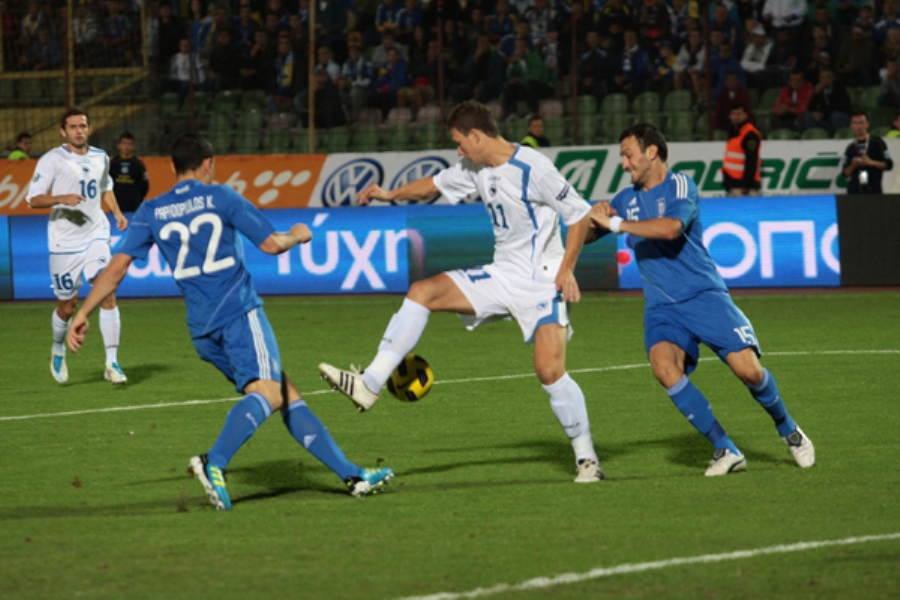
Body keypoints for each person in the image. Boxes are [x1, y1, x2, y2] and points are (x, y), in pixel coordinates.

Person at [66, 134, 394, 511]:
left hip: (202, 329)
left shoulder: (152, 210)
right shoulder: (221, 196)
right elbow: (271, 244)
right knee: (271, 394)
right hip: (237, 312)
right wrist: (300, 235)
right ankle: (213, 461)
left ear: (172, 168)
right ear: (209, 165)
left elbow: (115, 270)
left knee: (284, 392)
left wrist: (83, 312)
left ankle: (351, 475)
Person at [318, 101, 605, 484]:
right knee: (422, 291)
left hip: (543, 279)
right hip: (502, 274)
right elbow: (433, 185)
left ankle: (587, 461)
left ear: (477, 135)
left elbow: (579, 214)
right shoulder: (476, 167)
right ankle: (369, 384)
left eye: (458, 142)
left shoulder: (533, 168)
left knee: (549, 371)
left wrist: (567, 269)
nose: (457, 150)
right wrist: (389, 194)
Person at [586, 123, 815, 476]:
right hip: (662, 306)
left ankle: (789, 430)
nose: (624, 163)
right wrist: (593, 220)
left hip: (703, 296)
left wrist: (615, 225)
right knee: (664, 369)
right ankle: (725, 449)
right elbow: (591, 232)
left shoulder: (681, 185)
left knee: (749, 371)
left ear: (652, 152)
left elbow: (670, 228)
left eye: (628, 154)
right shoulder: (624, 200)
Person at [26, 107, 129, 385]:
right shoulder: (52, 160)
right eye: (72, 127)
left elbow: (106, 187)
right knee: (67, 306)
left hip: (96, 235)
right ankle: (58, 347)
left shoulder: (101, 156)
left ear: (89, 129)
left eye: (83, 125)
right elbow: (33, 199)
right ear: (63, 131)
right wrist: (61, 198)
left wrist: (117, 213)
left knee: (106, 291)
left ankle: (112, 363)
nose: (78, 130)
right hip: (64, 243)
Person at [841, 111, 894, 195]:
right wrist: (853, 166)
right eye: (855, 123)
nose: (859, 126)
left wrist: (871, 163)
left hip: (873, 190)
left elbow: (889, 164)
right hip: (854, 192)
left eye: (861, 123)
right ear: (851, 126)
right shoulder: (850, 147)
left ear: (867, 124)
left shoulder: (877, 143)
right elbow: (845, 173)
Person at [722, 103, 761, 196]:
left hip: (744, 188)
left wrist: (746, 185)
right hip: (733, 184)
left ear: (745, 115)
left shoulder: (750, 134)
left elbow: (752, 160)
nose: (736, 117)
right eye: (733, 114)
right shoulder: (734, 132)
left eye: (739, 114)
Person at [109, 132, 149, 213]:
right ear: (119, 145)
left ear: (133, 147)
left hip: (134, 207)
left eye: (130, 144)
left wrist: (137, 198)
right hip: (116, 207)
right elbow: (106, 184)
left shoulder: (138, 165)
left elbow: (145, 186)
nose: (126, 147)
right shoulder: (112, 164)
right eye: (124, 143)